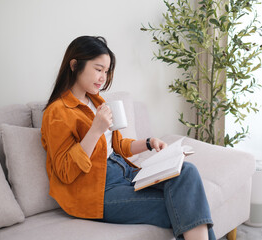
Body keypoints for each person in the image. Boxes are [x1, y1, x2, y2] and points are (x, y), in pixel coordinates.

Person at [41, 35, 216, 240]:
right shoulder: (57, 112)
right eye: (98, 69)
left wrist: (149, 143)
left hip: (124, 173)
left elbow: (116, 146)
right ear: (74, 65)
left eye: (106, 72)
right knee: (187, 204)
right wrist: (95, 130)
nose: (103, 78)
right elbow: (65, 172)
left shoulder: (96, 101)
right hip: (97, 192)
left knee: (187, 171)